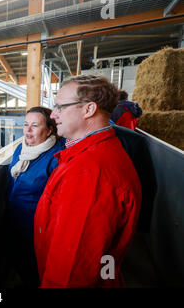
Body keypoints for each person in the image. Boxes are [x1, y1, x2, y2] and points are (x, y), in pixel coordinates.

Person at [34, 75, 142, 287]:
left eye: (60, 107)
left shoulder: (91, 173)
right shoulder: (89, 154)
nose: (53, 114)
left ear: (88, 109)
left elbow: (73, 268)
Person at [6, 106, 64, 287]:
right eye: (25, 125)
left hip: (38, 226)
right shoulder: (20, 149)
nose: (28, 130)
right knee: (20, 261)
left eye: (35, 126)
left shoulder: (56, 157)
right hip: (16, 219)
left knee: (36, 266)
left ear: (49, 130)